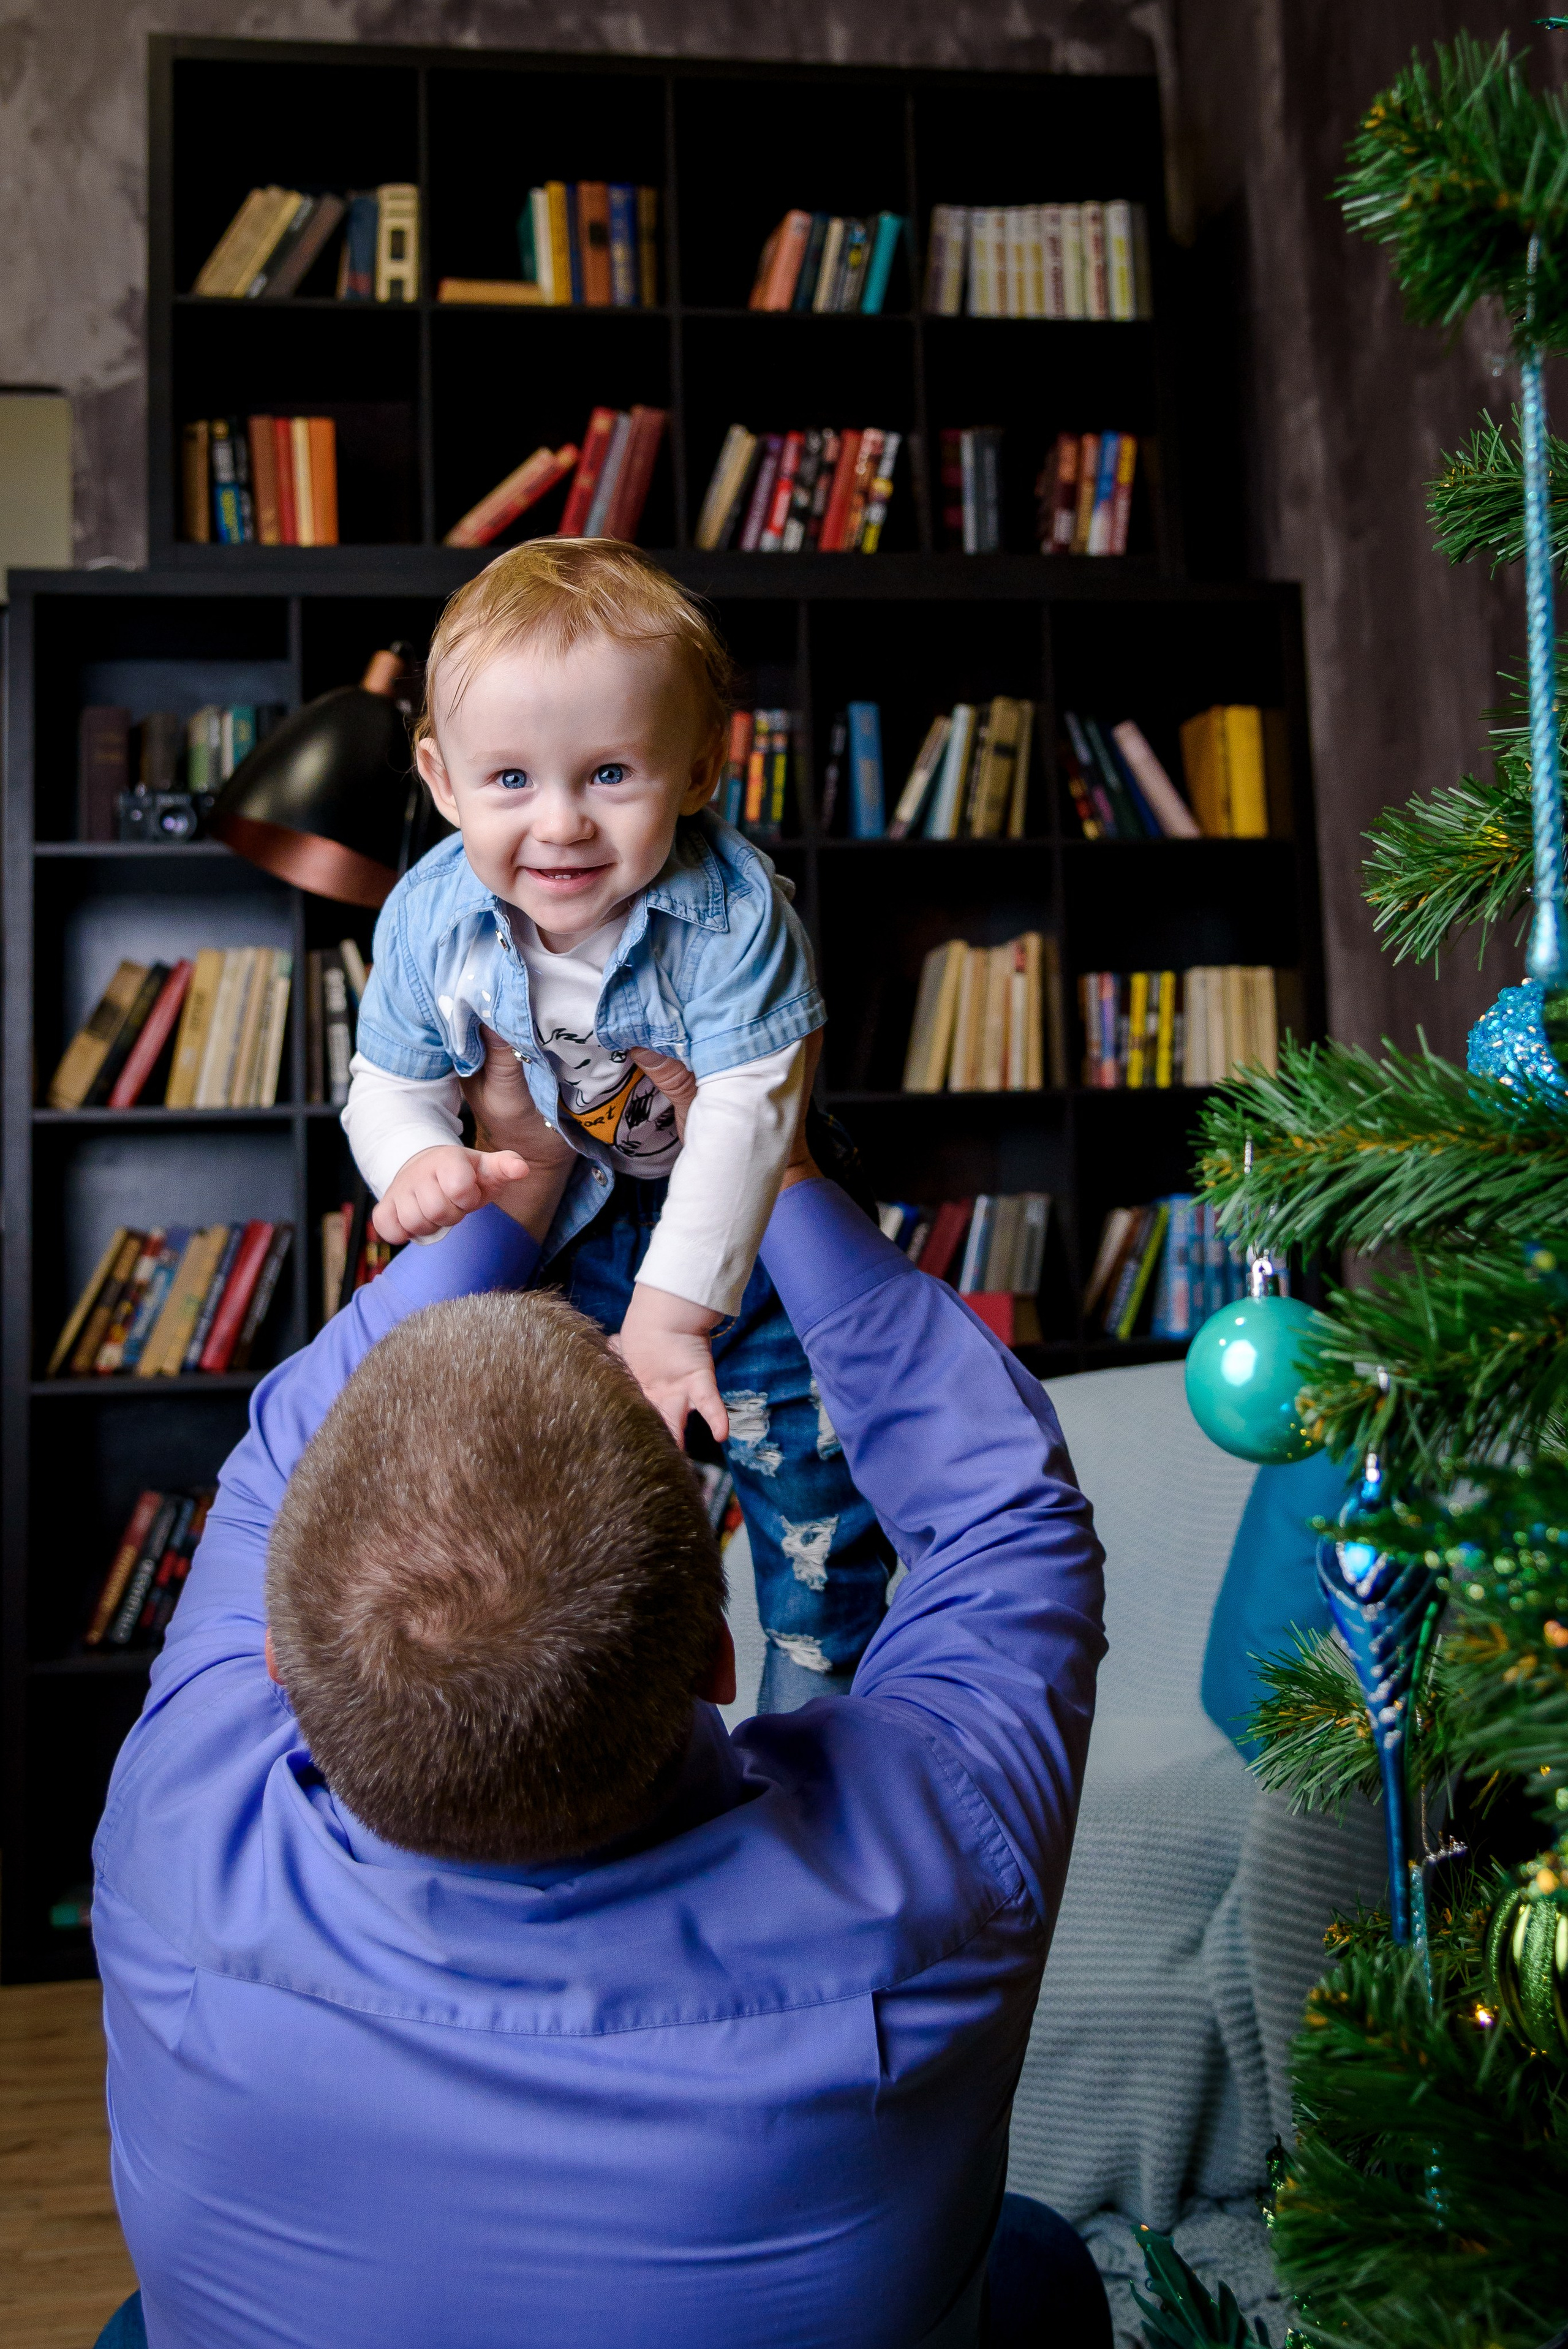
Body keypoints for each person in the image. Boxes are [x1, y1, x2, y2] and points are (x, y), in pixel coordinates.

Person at [91, 1031, 1112, 2349]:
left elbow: (273, 1451)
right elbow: (1004, 1516)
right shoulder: (931, 1874)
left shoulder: (178, 1823)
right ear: (718, 1658)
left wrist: (512, 1181)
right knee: (1035, 2262)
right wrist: (774, 1163)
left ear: (275, 1660)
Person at [342, 539, 889, 1707]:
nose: (560, 826)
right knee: (536, 1511)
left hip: (739, 1244)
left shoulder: (737, 910)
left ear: (697, 769)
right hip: (557, 1239)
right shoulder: (430, 919)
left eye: (607, 776)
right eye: (510, 782)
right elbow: (383, 1081)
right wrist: (421, 1159)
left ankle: (818, 1720)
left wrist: (671, 1322)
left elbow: (750, 1116)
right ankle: (606, 1730)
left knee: (813, 1481)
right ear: (440, 780)